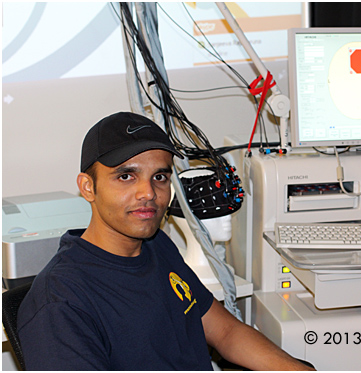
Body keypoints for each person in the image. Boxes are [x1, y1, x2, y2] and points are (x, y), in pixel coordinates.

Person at [17, 112, 313, 371]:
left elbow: (224, 331)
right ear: (88, 187)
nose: (148, 192)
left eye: (159, 176)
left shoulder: (156, 245)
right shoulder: (61, 302)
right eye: (126, 176)